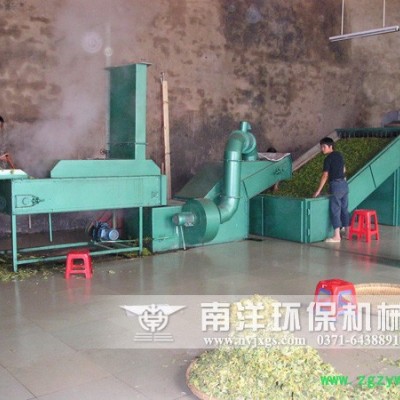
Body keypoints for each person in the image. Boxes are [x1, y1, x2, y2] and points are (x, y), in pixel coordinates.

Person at [313, 137, 349, 242]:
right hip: (344, 184)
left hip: (336, 185)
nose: (322, 149)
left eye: (324, 147)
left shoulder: (328, 159)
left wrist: (318, 191)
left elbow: (325, 175)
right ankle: (347, 233)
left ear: (330, 146)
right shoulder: (339, 155)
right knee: (344, 209)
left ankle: (337, 236)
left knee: (335, 210)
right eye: (321, 147)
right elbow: (344, 169)